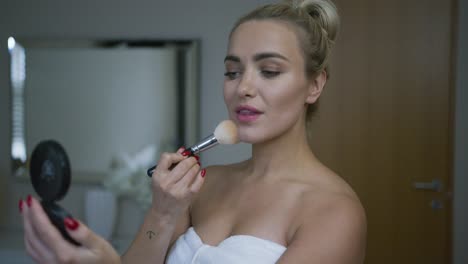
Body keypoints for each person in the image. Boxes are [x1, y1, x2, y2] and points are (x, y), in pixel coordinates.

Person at [19, 0, 367, 263]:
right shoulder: (204, 184)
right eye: (232, 72)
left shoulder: (333, 212)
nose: (243, 87)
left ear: (314, 85)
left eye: (270, 71)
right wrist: (162, 211)